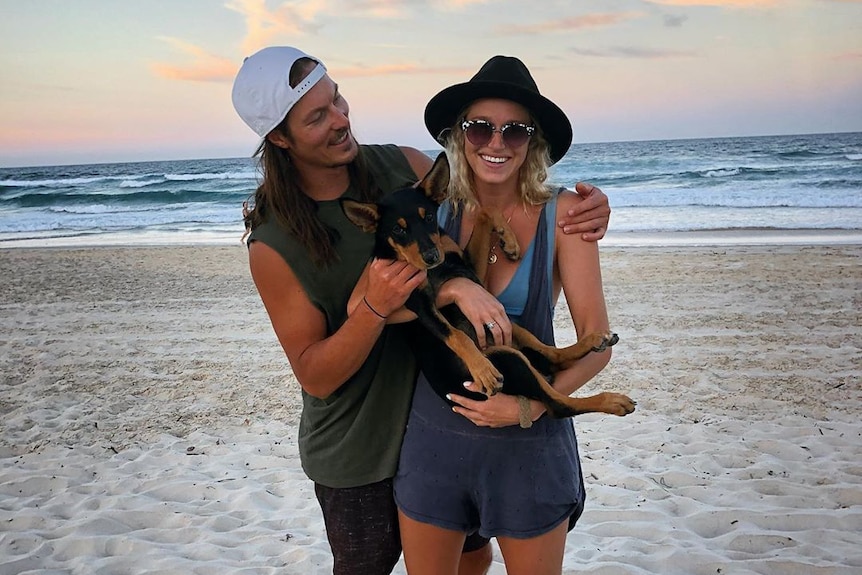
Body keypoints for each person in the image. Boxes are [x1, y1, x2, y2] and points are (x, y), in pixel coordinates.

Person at [230, 46, 611, 575]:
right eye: (479, 128)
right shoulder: (283, 241)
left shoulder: (403, 170)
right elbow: (324, 364)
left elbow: (596, 335)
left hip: (478, 426)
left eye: (336, 99)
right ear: (279, 137)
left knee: (476, 562)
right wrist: (432, 295)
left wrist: (590, 208)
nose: (341, 119)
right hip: (380, 440)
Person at [392, 56, 616, 574]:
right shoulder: (430, 210)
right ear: (459, 134)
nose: (496, 143)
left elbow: (597, 339)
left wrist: (530, 408)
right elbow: (386, 311)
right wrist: (450, 288)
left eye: (515, 130)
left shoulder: (565, 215)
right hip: (434, 441)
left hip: (528, 448)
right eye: (480, 127)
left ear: (534, 142)